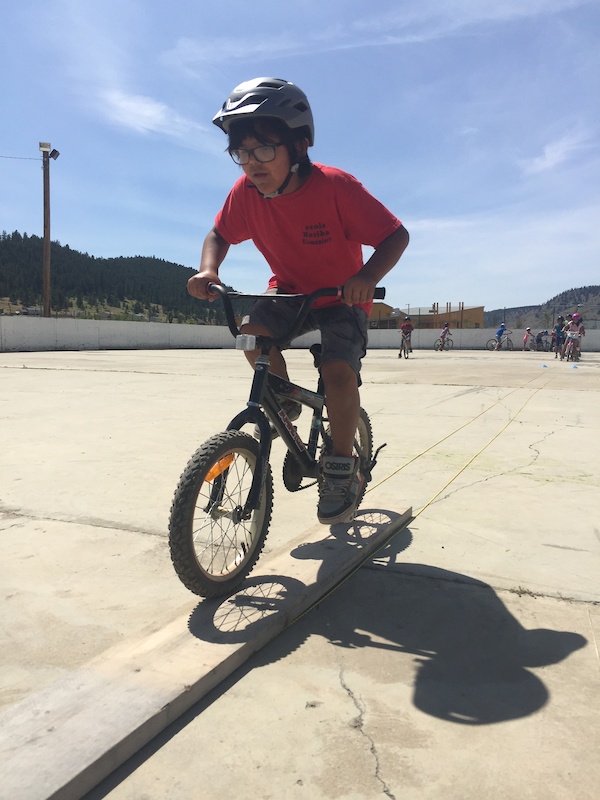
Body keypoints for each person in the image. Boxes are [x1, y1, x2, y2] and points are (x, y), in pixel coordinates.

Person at [187, 77, 409, 525]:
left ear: (299, 145)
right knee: (251, 335)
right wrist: (209, 269)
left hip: (341, 297)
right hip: (289, 290)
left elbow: (394, 235)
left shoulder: (335, 187)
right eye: (242, 152)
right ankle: (286, 401)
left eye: (265, 149)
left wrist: (366, 277)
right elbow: (218, 234)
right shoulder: (245, 194)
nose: (252, 163)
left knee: (338, 374)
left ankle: (341, 467)